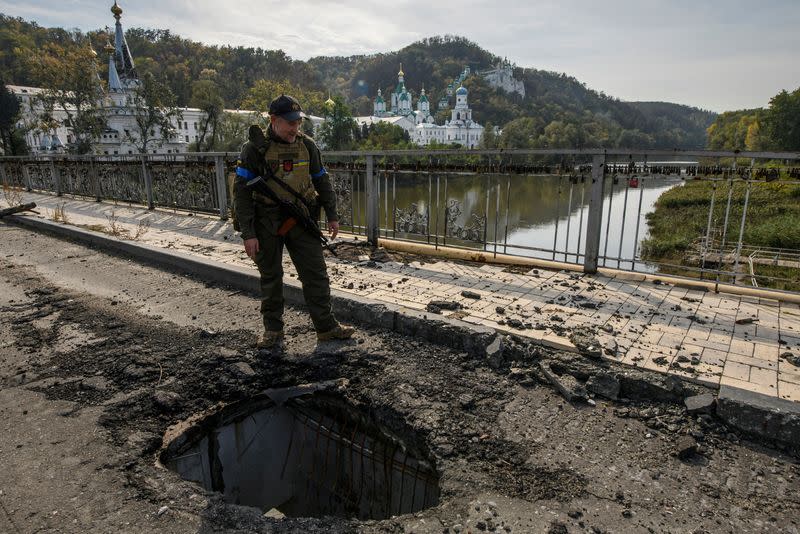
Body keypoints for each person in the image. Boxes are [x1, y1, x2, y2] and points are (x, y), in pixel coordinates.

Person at [234, 94, 354, 348]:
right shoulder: (253, 149)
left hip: (301, 217)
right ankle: (273, 331)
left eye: (298, 122)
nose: (295, 128)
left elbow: (322, 180)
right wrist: (248, 233)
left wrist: (332, 215)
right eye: (290, 123)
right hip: (266, 220)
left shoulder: (307, 145)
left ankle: (327, 327)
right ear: (273, 119)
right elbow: (242, 193)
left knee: (316, 274)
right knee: (271, 276)